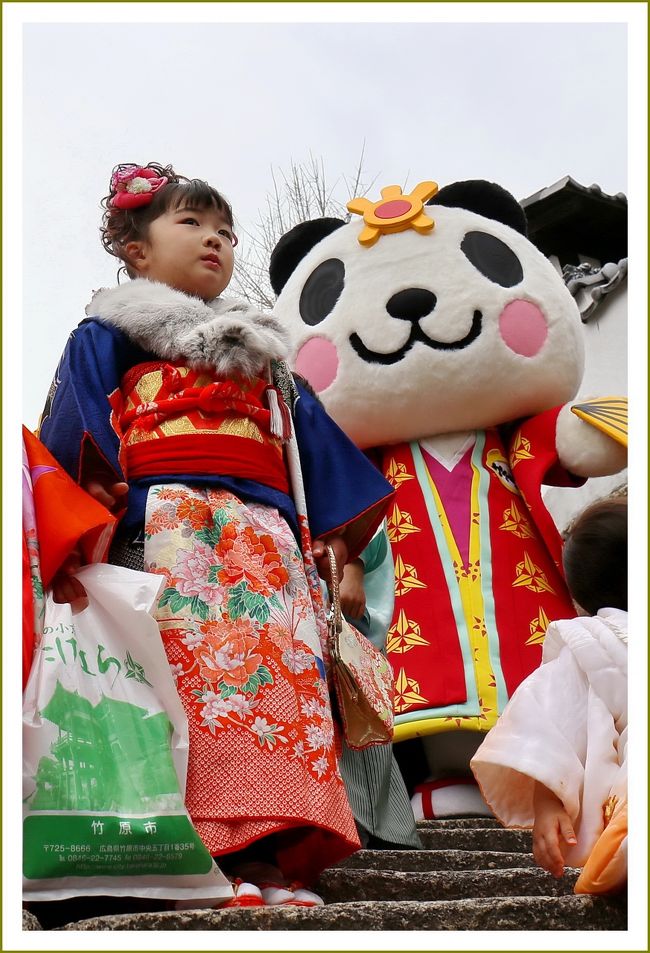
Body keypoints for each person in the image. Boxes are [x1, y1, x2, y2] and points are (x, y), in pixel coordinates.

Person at [38, 161, 394, 907]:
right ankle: (199, 859)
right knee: (187, 696)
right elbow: (76, 434)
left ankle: (270, 862)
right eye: (192, 223)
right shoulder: (110, 332)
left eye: (227, 231)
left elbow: (314, 448)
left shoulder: (266, 355)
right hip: (163, 532)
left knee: (274, 699)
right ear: (134, 250)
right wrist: (93, 509)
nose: (215, 240)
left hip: (266, 543)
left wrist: (340, 547)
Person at [470, 497, 627, 894]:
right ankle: (626, 841)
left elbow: (552, 723)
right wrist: (549, 801)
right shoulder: (593, 640)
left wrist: (549, 803)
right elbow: (556, 715)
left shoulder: (595, 640)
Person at [337, 525, 421, 850]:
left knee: (356, 721)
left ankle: (371, 829)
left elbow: (356, 500)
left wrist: (354, 564)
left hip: (339, 577)